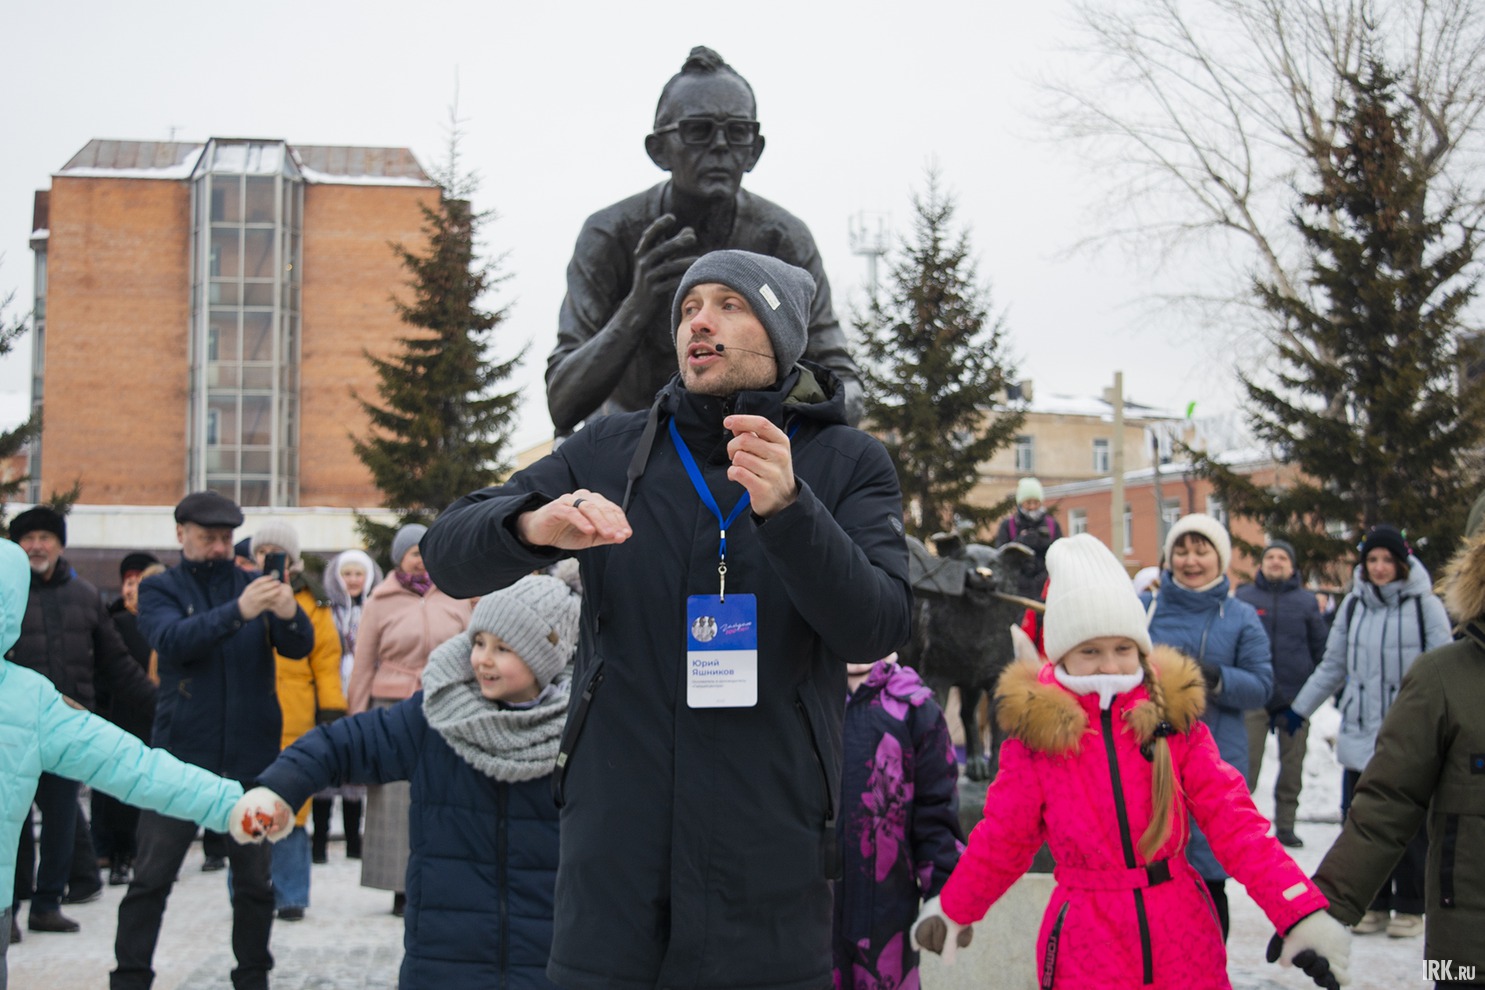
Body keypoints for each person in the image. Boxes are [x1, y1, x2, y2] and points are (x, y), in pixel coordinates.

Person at [421, 249, 911, 990]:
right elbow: (448, 553)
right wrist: (529, 528)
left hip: (768, 858)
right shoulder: (607, 449)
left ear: (778, 332)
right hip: (615, 858)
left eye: (728, 304)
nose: (699, 322)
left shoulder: (846, 462)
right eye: (687, 308)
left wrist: (789, 509)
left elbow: (876, 627)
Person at [915, 534, 1350, 990]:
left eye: (1123, 649)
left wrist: (1299, 912)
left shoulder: (1171, 721)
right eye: (1090, 651)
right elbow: (1003, 839)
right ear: (1062, 653)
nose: (1110, 665)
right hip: (1085, 942)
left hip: (1183, 934)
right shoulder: (1037, 740)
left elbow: (1236, 824)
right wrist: (954, 909)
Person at [232, 575, 579, 989]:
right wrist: (280, 787)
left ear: (547, 656)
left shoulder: (581, 732)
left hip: (548, 957)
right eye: (479, 642)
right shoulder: (438, 715)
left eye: (503, 649)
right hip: (444, 957)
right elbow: (343, 744)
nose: (483, 659)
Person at [546, 45, 863, 436]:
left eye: (737, 131)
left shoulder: (783, 238)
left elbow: (843, 383)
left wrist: (792, 435)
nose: (720, 146)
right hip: (630, 448)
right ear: (658, 149)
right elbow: (562, 404)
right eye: (697, 130)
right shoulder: (610, 235)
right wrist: (636, 307)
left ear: (754, 151)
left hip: (743, 448)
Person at [0, 539, 250, 989]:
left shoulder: (28, 700)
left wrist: (227, 800)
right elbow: (136, 768)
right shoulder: (30, 697)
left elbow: (133, 766)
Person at [111, 490, 313, 990]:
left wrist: (288, 611)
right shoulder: (161, 588)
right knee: (151, 879)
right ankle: (131, 977)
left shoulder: (253, 583)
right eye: (207, 539)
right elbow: (172, 641)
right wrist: (238, 612)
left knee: (253, 883)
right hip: (181, 759)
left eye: (225, 538)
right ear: (181, 535)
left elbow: (298, 646)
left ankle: (252, 977)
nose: (219, 548)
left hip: (252, 760)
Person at [1309, 506, 1485, 988]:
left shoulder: (1418, 607)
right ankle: (1396, 906)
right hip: (1469, 953)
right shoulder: (1444, 678)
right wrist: (1324, 911)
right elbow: (1387, 803)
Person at [1283, 524, 1450, 939]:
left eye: (1386, 560)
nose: (1378, 568)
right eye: (1372, 560)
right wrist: (1298, 709)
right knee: (1360, 821)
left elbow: (1444, 666)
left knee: (1408, 824)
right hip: (1359, 730)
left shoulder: (1423, 606)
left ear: (1401, 563)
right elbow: (1334, 665)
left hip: (1409, 733)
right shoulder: (1353, 607)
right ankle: (1373, 903)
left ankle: (1410, 906)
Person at [7, 506, 154, 934]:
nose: (37, 546)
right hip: (13, 732)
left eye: (45, 538)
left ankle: (48, 902)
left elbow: (118, 665)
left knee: (61, 818)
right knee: (13, 823)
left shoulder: (84, 595)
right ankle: (10, 909)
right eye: (28, 538)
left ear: (60, 544)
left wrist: (161, 707)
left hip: (67, 727)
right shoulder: (6, 593)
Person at [1140, 512, 1272, 939]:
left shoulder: (1240, 617)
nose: (1191, 560)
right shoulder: (1144, 608)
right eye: (1181, 550)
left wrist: (1216, 677)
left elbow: (1261, 687)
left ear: (1221, 558)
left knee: (1207, 878)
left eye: (1202, 550)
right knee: (1149, 873)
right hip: (1147, 759)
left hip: (1213, 761)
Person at [344, 524, 470, 916]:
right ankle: (399, 884)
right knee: (395, 796)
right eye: (412, 552)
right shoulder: (380, 600)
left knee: (448, 793)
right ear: (399, 557)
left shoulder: (458, 592)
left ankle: (443, 877)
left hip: (447, 701)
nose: (420, 558)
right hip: (392, 702)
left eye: (425, 551)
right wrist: (357, 722)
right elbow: (363, 663)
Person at [834, 652, 964, 990]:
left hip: (887, 924)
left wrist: (945, 897)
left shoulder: (916, 708)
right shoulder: (799, 699)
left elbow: (936, 814)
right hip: (803, 927)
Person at [250, 522, 346, 922]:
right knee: (248, 804)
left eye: (277, 552)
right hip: (249, 713)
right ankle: (250, 891)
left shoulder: (312, 600)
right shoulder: (239, 594)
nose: (267, 559)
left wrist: (331, 710)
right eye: (261, 551)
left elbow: (326, 659)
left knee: (290, 804)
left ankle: (291, 894)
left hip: (297, 710)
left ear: (291, 560)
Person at [1234, 540, 1329, 847]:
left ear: (1292, 566)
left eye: (1282, 558)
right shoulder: (1245, 598)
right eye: (1270, 557)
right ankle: (1239, 828)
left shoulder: (1306, 601)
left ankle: (1286, 825)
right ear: (1261, 564)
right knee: (1245, 766)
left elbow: (1321, 648)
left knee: (1292, 766)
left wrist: (1312, 686)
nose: (1276, 562)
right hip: (1254, 696)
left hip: (1294, 699)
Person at [93, 552, 162, 888]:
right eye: (133, 585)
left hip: (162, 716)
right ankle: (120, 855)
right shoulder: (118, 624)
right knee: (123, 790)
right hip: (127, 714)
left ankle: (150, 853)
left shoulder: (168, 625)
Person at [312, 549, 383, 863]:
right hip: (328, 695)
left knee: (355, 772)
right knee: (324, 770)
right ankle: (319, 841)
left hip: (362, 694)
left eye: (358, 574)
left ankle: (355, 841)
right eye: (347, 574)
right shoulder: (324, 609)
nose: (353, 580)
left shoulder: (375, 607)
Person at [992, 477, 1062, 602]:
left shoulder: (1052, 525)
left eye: (1036, 502)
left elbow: (1061, 556)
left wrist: (1046, 544)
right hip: (1017, 588)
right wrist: (1020, 541)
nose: (1032, 507)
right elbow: (1000, 555)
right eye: (1028, 503)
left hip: (1046, 587)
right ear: (1020, 503)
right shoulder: (1008, 525)